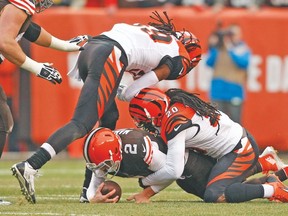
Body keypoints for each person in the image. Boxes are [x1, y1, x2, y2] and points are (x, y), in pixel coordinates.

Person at [11, 11, 202, 204]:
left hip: (95, 47)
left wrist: (120, 88)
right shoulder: (180, 58)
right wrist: (124, 92)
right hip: (110, 54)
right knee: (81, 123)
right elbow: (132, 91)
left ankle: (89, 190)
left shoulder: (157, 36)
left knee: (109, 118)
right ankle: (31, 165)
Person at [128, 87, 288, 203]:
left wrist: (145, 182)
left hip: (239, 150)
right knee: (197, 182)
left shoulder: (174, 123)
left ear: (154, 115)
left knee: (215, 194)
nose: (141, 124)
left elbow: (173, 170)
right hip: (231, 147)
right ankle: (266, 164)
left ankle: (274, 189)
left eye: (142, 120)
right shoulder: (172, 102)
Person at [81, 127, 288, 203]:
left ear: (116, 153)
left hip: (188, 164)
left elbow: (172, 169)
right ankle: (266, 168)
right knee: (227, 186)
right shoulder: (108, 155)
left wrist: (146, 190)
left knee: (219, 195)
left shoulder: (140, 151)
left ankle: (270, 182)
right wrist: (95, 198)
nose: (104, 169)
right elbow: (94, 187)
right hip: (182, 168)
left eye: (106, 164)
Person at [205, 23, 251, 124]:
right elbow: (209, 62)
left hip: (234, 91)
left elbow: (243, 63)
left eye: (234, 34)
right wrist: (214, 46)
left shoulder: (242, 48)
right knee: (216, 122)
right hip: (217, 91)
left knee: (235, 122)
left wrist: (230, 48)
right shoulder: (219, 48)